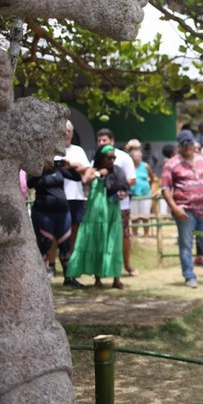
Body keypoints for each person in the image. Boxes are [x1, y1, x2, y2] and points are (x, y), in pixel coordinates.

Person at [161, 129, 203, 289]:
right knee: (186, 244)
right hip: (185, 211)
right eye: (184, 143)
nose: (187, 146)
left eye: (189, 142)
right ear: (179, 145)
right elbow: (165, 189)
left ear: (194, 143)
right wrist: (175, 208)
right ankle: (189, 276)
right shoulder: (172, 164)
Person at [67, 145, 130, 289]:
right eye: (109, 157)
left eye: (114, 157)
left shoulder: (117, 171)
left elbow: (125, 188)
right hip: (95, 215)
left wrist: (122, 194)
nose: (112, 160)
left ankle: (116, 279)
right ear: (101, 158)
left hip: (112, 212)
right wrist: (98, 173)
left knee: (113, 242)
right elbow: (85, 181)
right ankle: (97, 280)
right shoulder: (93, 170)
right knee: (96, 242)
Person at [27, 158, 85, 288]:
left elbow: (77, 178)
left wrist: (69, 165)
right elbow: (29, 183)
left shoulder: (59, 169)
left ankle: (69, 278)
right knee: (44, 246)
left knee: (65, 246)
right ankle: (40, 281)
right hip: (43, 213)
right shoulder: (37, 171)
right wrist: (42, 170)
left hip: (63, 213)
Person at [95, 128, 137, 276]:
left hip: (121, 206)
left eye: (104, 140)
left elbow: (132, 180)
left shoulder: (124, 158)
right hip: (102, 206)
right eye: (99, 140)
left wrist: (116, 185)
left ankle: (126, 266)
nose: (101, 143)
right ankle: (101, 271)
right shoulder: (97, 159)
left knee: (123, 236)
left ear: (112, 141)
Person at [63, 120, 94, 264]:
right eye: (63, 130)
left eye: (68, 130)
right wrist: (74, 166)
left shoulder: (78, 150)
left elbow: (87, 168)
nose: (65, 133)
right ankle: (52, 263)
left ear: (72, 133)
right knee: (59, 232)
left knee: (75, 228)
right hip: (58, 196)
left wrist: (71, 165)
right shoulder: (52, 150)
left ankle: (72, 259)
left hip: (76, 196)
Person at [128, 147, 156, 237]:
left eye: (138, 156)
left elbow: (153, 178)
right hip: (133, 195)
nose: (137, 158)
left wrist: (152, 189)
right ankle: (135, 234)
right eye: (135, 156)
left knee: (145, 216)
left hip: (145, 195)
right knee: (134, 217)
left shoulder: (146, 166)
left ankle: (146, 234)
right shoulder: (129, 166)